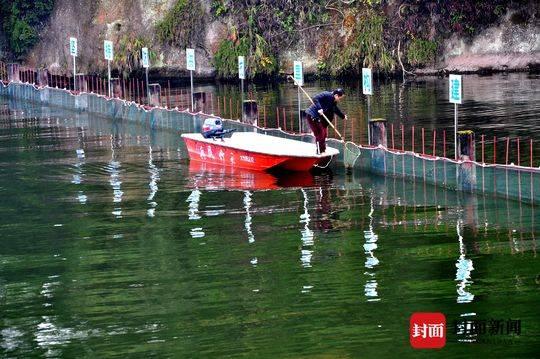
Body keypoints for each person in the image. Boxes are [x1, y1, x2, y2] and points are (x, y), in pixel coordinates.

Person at [305, 88, 347, 154]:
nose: (339, 100)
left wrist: (343, 116)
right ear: (336, 95)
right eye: (340, 98)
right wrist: (319, 108)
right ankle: (319, 151)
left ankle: (323, 150)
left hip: (318, 117)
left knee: (324, 134)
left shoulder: (333, 101)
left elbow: (335, 109)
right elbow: (315, 98)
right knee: (320, 133)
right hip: (312, 116)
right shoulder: (326, 94)